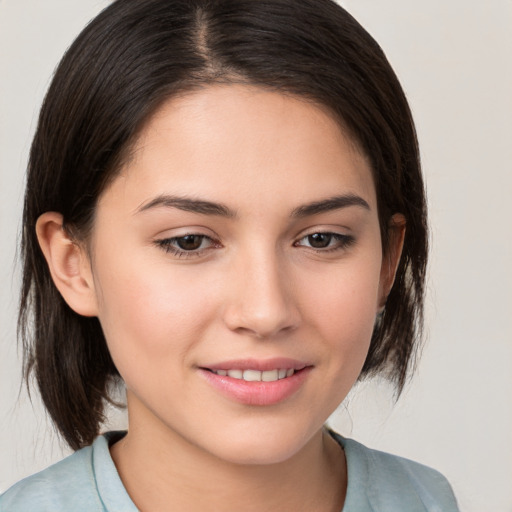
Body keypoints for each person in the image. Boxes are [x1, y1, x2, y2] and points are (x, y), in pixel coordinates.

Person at [0, 0, 460, 510]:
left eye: (321, 238)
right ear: (74, 264)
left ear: (388, 258)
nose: (265, 311)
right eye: (188, 241)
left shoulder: (429, 500)